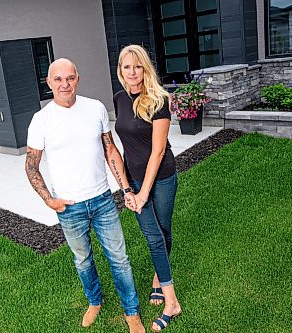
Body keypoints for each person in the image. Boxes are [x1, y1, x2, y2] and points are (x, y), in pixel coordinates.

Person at [25, 58, 145, 333]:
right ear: (49, 83)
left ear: (77, 78)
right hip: (69, 208)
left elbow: (110, 150)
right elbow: (31, 165)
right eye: (58, 79)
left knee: (120, 258)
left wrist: (126, 188)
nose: (65, 84)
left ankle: (132, 312)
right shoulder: (41, 120)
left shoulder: (95, 108)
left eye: (70, 78)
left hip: (102, 199)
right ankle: (94, 301)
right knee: (83, 260)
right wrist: (49, 200)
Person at [113, 45, 182, 332]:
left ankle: (162, 286)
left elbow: (157, 152)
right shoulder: (118, 99)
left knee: (163, 231)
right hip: (136, 181)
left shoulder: (158, 100)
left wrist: (143, 193)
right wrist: (129, 188)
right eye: (126, 67)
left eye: (137, 66)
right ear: (121, 69)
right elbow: (121, 145)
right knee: (153, 237)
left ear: (145, 69)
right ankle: (172, 300)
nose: (132, 72)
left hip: (162, 177)